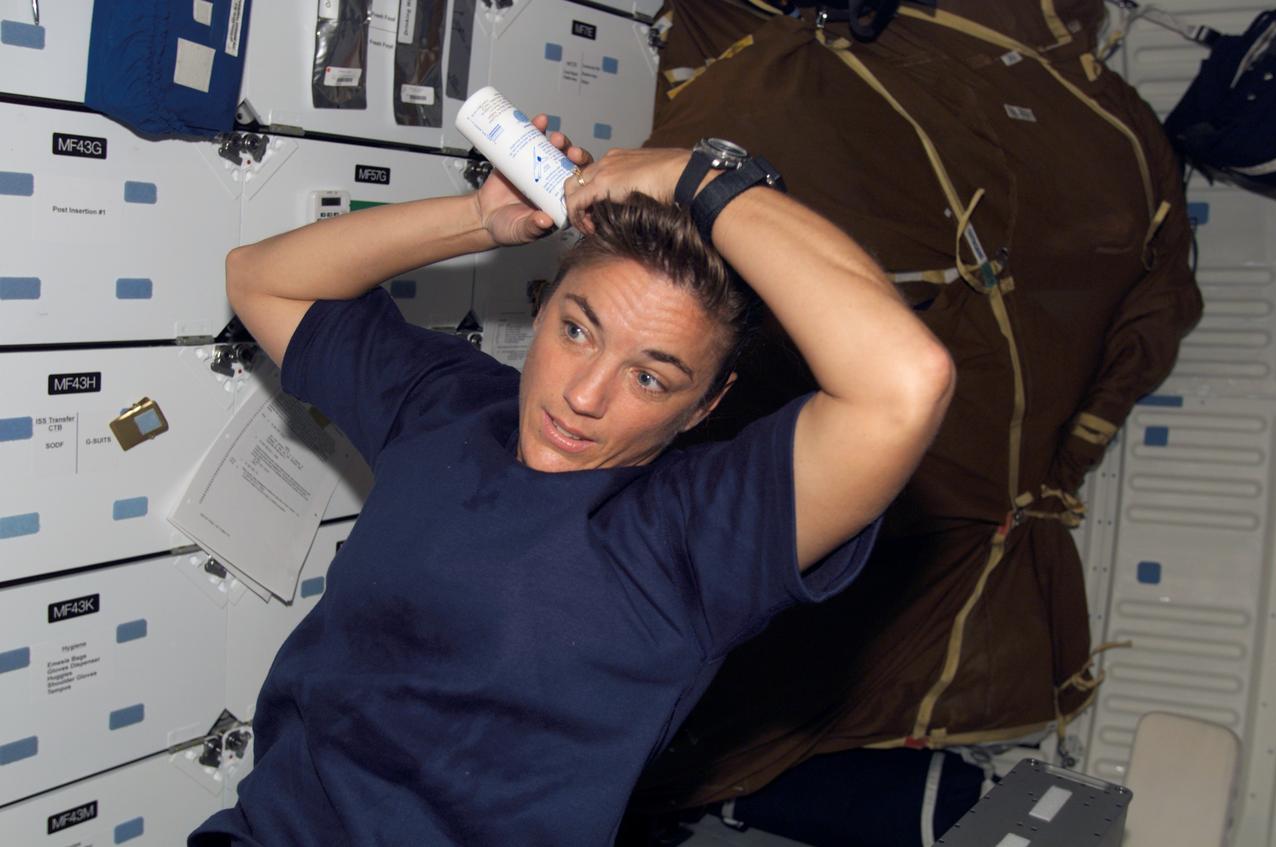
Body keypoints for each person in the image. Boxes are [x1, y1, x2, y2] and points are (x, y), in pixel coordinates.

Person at [189, 120, 955, 845]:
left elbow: (905, 385)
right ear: (542, 304)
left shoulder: (693, 540)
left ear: (704, 407)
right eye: (577, 329)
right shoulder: (450, 405)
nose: (585, 395)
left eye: (651, 377)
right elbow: (259, 279)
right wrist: (477, 219)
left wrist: (696, 179)